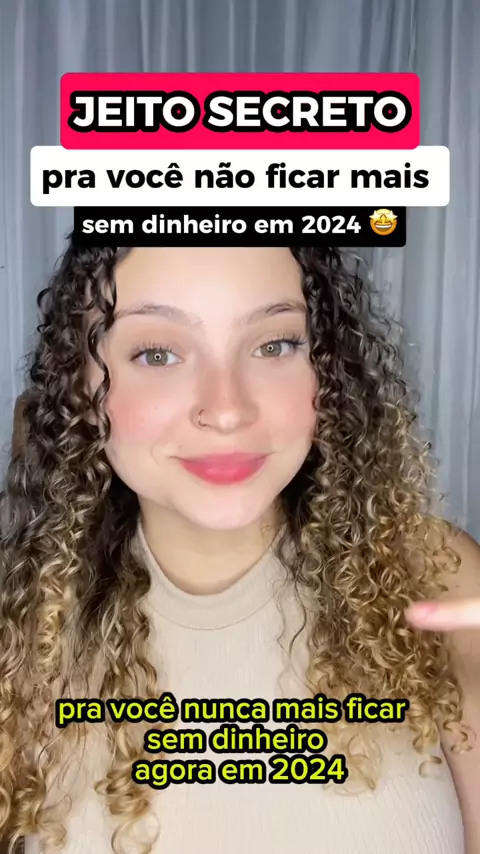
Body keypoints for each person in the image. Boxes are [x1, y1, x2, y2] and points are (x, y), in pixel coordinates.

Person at [0, 241, 479, 854]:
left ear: (329, 370)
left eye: (274, 345)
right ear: (80, 390)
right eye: (157, 353)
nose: (226, 410)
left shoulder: (440, 581)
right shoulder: (19, 635)